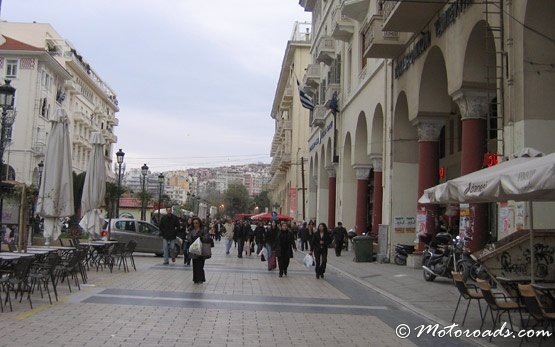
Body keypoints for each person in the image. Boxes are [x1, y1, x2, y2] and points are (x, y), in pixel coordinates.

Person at [188, 217, 211, 284]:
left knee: (200, 265)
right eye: (194, 223)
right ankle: (195, 279)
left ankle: (201, 279)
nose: (195, 224)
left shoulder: (204, 229)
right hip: (194, 249)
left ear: (199, 223)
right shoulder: (191, 229)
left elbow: (207, 238)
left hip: (201, 249)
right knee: (195, 264)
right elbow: (188, 237)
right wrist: (192, 239)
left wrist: (201, 238)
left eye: (196, 223)